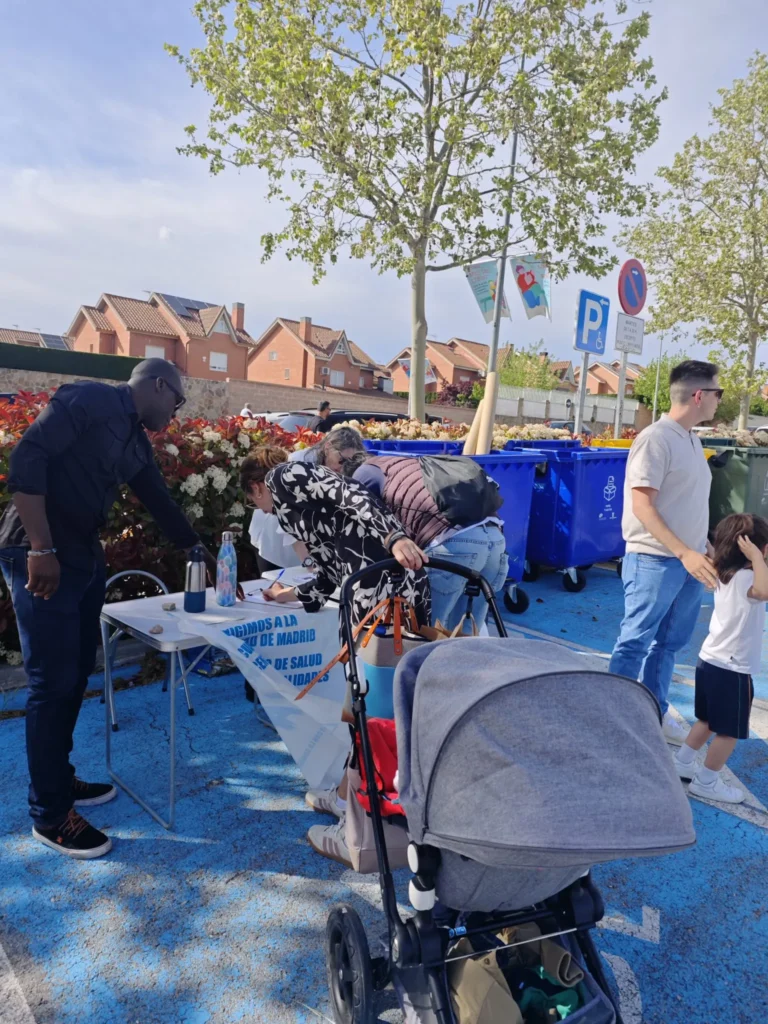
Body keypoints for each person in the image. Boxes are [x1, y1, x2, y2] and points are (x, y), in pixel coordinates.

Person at [0, 359, 218, 860]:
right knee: (51, 682)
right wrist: (40, 548)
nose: (175, 414)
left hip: (81, 555)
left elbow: (158, 499)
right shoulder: (90, 399)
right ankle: (50, 814)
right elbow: (28, 460)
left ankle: (58, 778)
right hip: (38, 550)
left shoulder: (135, 442)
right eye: (177, 402)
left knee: (77, 674)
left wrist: (195, 547)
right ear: (158, 385)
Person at [239, 448, 430, 865]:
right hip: (374, 597)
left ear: (256, 486)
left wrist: (394, 537)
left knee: (371, 710)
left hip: (384, 599)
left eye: (254, 502)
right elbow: (330, 572)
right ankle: (346, 797)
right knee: (364, 706)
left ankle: (357, 829)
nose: (262, 511)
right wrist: (288, 594)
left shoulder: (283, 477)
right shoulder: (296, 504)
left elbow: (352, 495)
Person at [609, 360, 722, 743]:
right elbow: (643, 506)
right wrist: (685, 552)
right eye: (718, 393)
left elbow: (684, 502)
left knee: (669, 644)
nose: (720, 401)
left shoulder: (691, 439)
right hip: (654, 560)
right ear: (699, 395)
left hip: (688, 561)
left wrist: (703, 546)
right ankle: (613, 719)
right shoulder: (656, 439)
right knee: (635, 642)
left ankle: (653, 711)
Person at [338, 442, 508, 632]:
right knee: (468, 632)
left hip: (453, 543)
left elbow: (359, 526)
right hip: (495, 539)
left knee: (429, 631)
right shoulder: (407, 465)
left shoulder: (363, 472)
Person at [673, 514, 768, 803]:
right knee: (728, 731)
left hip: (709, 661)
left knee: (707, 720)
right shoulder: (750, 578)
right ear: (755, 549)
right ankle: (707, 781)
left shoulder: (723, 573)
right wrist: (757, 558)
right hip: (732, 668)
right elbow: (764, 591)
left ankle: (682, 762)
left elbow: (716, 554)